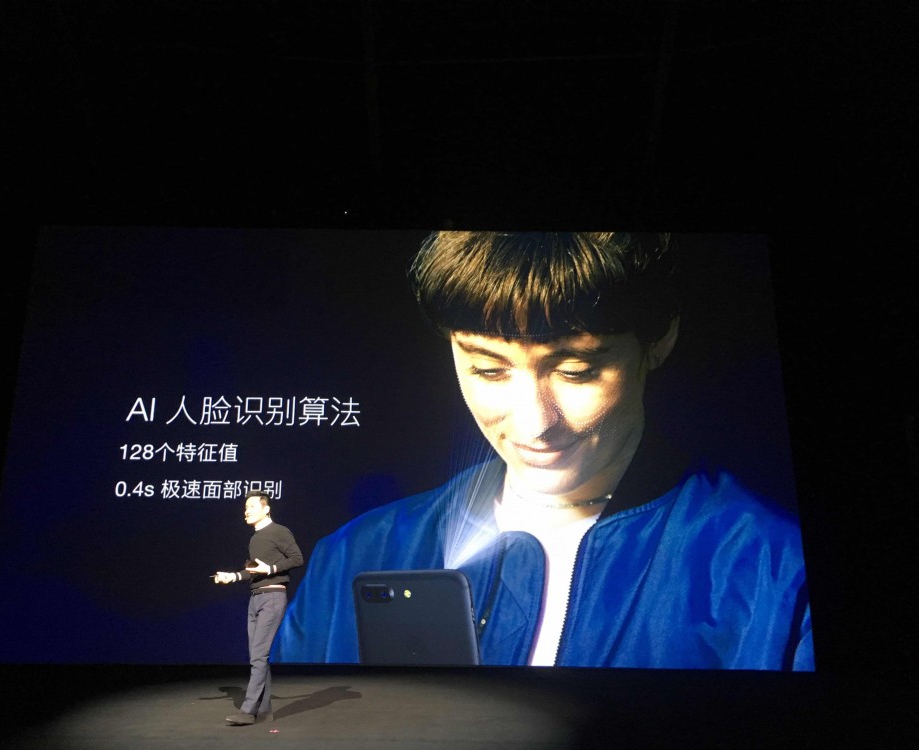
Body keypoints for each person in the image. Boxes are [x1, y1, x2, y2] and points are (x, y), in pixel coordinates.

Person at [273, 231, 813, 670]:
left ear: (660, 339)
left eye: (575, 371)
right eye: (488, 369)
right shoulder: (353, 556)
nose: (534, 424)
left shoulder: (777, 572)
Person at [213, 489, 304, 724]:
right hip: (256, 598)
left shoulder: (279, 531)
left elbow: (297, 558)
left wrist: (270, 569)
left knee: (258, 656)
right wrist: (232, 576)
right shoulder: (255, 539)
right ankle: (264, 710)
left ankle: (248, 711)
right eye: (245, 508)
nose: (246, 512)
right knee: (258, 656)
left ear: (266, 509)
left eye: (252, 507)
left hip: (272, 598)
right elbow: (253, 571)